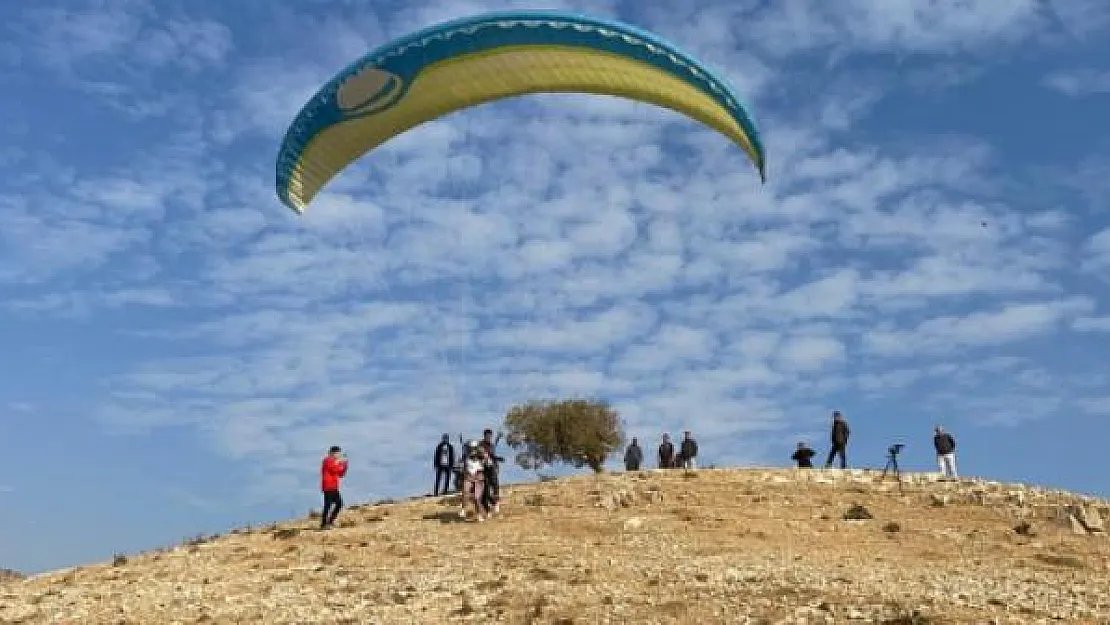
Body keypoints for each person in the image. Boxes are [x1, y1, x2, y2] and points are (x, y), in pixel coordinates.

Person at [320, 445, 348, 529]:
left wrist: (345, 465)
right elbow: (333, 468)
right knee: (327, 505)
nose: (339, 455)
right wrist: (340, 462)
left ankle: (330, 522)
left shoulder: (336, 462)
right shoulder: (327, 460)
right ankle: (324, 524)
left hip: (334, 487)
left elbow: (341, 474)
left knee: (339, 504)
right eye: (338, 453)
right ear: (333, 453)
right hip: (328, 486)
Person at [459, 441, 488, 522]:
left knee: (476, 498)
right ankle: (463, 509)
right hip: (468, 478)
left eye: (474, 449)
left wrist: (483, 455)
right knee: (465, 491)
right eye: (470, 449)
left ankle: (479, 515)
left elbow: (486, 460)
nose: (472, 451)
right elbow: (461, 466)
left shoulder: (482, 458)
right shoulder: (466, 458)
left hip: (479, 480)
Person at [478, 429, 504, 515]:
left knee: (495, 485)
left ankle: (496, 503)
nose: (489, 437)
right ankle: (489, 507)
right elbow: (481, 455)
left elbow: (492, 455)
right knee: (485, 490)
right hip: (483, 469)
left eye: (490, 436)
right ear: (484, 436)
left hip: (492, 468)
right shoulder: (480, 445)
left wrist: (497, 463)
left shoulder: (492, 445)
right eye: (487, 436)